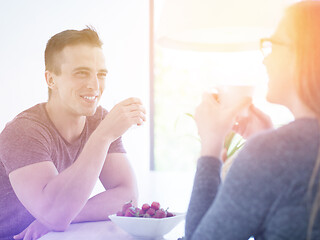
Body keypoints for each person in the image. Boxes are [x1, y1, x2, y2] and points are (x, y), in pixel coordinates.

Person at [186, 1, 320, 239]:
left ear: (302, 54)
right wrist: (265, 141)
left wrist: (210, 147)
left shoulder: (272, 153)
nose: (264, 60)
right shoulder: (275, 151)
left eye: (273, 45)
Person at [0, 27, 146, 240]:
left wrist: (61, 217)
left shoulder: (100, 121)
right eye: (81, 73)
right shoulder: (24, 131)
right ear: (51, 80)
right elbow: (54, 215)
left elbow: (128, 197)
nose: (95, 86)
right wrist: (103, 135)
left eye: (101, 74)